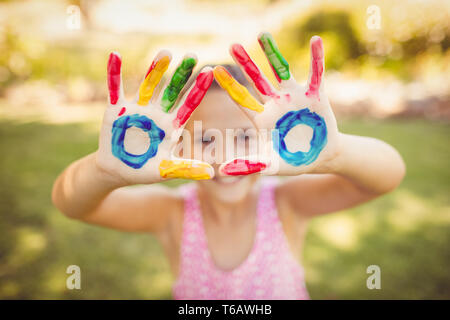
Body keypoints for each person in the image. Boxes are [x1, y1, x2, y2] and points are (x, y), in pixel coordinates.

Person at [52, 33, 405, 299]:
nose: (225, 158)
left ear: (270, 139)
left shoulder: (287, 204)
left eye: (244, 136)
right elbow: (72, 203)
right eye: (206, 140)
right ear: (179, 145)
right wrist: (103, 171)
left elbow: (388, 176)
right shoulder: (171, 214)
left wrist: (337, 152)